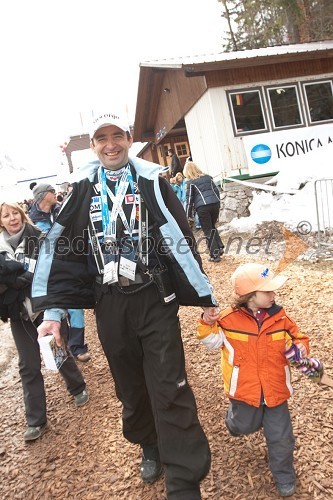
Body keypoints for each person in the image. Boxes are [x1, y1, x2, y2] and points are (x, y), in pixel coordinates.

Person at [32, 111, 218, 499]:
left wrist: (205, 297)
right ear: (94, 144)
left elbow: (180, 237)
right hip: (110, 303)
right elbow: (62, 251)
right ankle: (149, 444)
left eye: (118, 135)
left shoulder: (152, 181)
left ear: (130, 138)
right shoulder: (81, 188)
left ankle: (183, 478)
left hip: (154, 297)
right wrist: (53, 312)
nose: (111, 144)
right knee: (131, 388)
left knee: (170, 384)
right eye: (103, 138)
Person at [197, 263, 310, 498]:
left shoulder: (280, 318)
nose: (273, 295)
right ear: (249, 296)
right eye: (267, 291)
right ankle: (234, 421)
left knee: (281, 437)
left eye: (273, 291)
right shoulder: (227, 320)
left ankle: (285, 475)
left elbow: (298, 338)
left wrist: (299, 351)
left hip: (275, 391)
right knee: (243, 425)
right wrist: (207, 322)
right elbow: (211, 342)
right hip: (244, 392)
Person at [0, 202, 89, 442]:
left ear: (22, 215)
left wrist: (25, 277)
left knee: (57, 353)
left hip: (44, 308)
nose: (12, 219)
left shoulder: (38, 237)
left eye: (15, 213)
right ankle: (36, 420)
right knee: (28, 365)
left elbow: (52, 270)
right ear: (1, 221)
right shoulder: (1, 247)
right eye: (6, 215)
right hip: (18, 313)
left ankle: (78, 387)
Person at [29, 183, 90, 363]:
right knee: (54, 318)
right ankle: (60, 355)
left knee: (76, 308)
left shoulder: (62, 210)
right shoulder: (33, 220)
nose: (55, 194)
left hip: (67, 265)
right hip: (48, 275)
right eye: (52, 191)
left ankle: (78, 347)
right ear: (42, 196)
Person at [183, 161, 224, 263]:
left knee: (208, 230)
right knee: (212, 226)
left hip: (202, 207)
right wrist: (216, 201)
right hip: (215, 204)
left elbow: (189, 201)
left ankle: (215, 255)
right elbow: (217, 191)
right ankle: (220, 247)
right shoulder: (208, 178)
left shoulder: (190, 182)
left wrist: (187, 216)